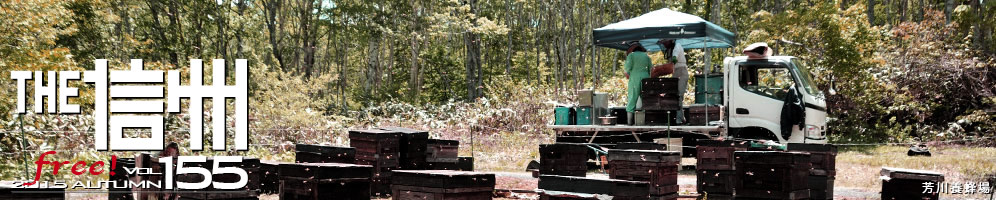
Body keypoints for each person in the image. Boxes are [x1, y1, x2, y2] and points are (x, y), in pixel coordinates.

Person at [660, 39, 688, 124]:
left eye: (665, 42)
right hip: (676, 72)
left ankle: (679, 120)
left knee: (679, 96)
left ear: (670, 41)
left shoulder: (677, 46)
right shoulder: (670, 49)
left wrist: (669, 65)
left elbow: (675, 58)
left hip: (681, 72)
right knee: (673, 95)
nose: (664, 45)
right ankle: (681, 118)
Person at [624, 42, 652, 125]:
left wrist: (630, 73)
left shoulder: (631, 55)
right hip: (646, 77)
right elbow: (651, 68)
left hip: (635, 77)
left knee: (632, 98)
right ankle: (644, 121)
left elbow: (627, 69)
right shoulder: (646, 56)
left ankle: (629, 123)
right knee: (645, 99)